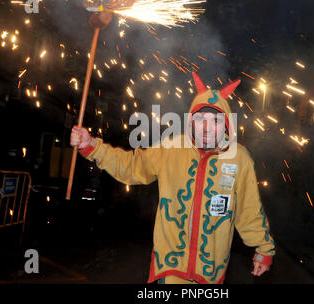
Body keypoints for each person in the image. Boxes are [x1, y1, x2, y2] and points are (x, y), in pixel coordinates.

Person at [70, 72, 275, 284]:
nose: (206, 127)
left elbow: (248, 208)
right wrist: (92, 146)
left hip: (210, 275)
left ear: (226, 125)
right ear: (191, 122)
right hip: (169, 271)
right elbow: (132, 166)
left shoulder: (239, 158)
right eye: (200, 119)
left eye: (214, 120)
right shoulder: (171, 148)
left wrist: (264, 248)